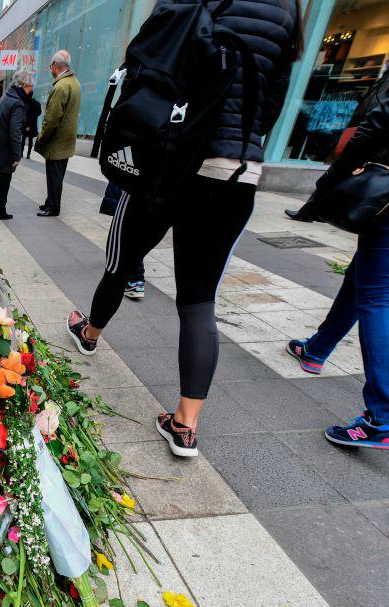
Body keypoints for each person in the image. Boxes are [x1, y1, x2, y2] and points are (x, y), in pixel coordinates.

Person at [67, 0, 301, 459]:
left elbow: (145, 61)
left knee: (121, 260)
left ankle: (90, 334)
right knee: (198, 301)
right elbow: (271, 102)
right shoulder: (289, 10)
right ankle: (185, 425)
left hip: (170, 161)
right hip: (236, 172)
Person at [287, 16, 389, 452]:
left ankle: (386, 419)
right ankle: (316, 349)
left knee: (382, 295)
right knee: (371, 269)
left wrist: (331, 180)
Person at [287, 37, 389, 222]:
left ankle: (312, 211)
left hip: (365, 133)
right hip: (366, 132)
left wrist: (361, 127)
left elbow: (376, 106)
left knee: (338, 173)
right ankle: (314, 211)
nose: (388, 59)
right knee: (339, 173)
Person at [0, 67, 34, 221]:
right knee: (5, 179)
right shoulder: (17, 103)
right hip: (6, 148)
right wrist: (17, 155)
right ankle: (0, 209)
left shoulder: (7, 96)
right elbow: (15, 132)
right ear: (23, 85)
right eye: (30, 86)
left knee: (3, 177)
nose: (31, 89)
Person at [35, 50, 81, 217]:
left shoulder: (61, 86)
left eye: (51, 66)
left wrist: (41, 139)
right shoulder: (74, 82)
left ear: (55, 65)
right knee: (58, 175)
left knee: (54, 176)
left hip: (57, 140)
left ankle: (53, 207)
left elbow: (52, 119)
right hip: (67, 140)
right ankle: (50, 202)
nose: (50, 70)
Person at [22, 93, 42, 159]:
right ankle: (28, 154)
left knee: (23, 139)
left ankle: (21, 153)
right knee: (30, 140)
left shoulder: (26, 103)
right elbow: (40, 112)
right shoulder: (37, 103)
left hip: (26, 124)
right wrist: (35, 117)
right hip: (33, 124)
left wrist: (26, 125)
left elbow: (24, 114)